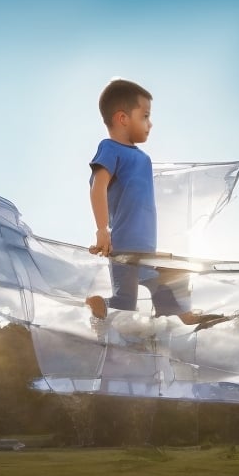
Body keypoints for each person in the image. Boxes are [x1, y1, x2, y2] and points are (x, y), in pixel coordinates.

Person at [85, 79, 216, 327]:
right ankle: (101, 304)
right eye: (145, 116)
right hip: (124, 244)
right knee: (137, 294)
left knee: (151, 287)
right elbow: (98, 186)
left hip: (146, 244)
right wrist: (102, 229)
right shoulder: (110, 148)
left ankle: (181, 314)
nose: (150, 123)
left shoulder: (143, 158)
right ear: (123, 118)